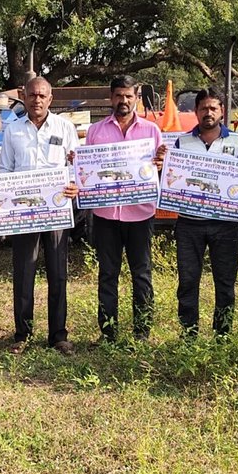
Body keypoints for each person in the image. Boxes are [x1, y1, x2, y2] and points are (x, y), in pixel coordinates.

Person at [0, 76, 80, 354]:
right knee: (24, 272)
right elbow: (5, 169)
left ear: (50, 99)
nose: (37, 100)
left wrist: (73, 185)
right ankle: (22, 334)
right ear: (24, 97)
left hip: (56, 210)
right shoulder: (13, 130)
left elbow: (75, 167)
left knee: (58, 273)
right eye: (32, 95)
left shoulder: (65, 128)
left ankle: (58, 335)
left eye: (43, 95)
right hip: (24, 213)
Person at [158, 88, 238, 337]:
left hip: (225, 223)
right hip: (189, 224)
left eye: (213, 108)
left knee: (225, 282)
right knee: (187, 281)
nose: (208, 113)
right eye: (203, 108)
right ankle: (189, 334)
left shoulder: (236, 141)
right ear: (196, 112)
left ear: (222, 111)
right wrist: (163, 166)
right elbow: (172, 180)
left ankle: (222, 334)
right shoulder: (181, 142)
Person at [83, 75, 162, 342]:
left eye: (129, 96)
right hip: (106, 215)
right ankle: (108, 333)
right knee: (108, 274)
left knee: (142, 274)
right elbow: (87, 171)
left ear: (137, 98)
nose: (123, 100)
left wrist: (161, 163)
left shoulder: (151, 131)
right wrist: (79, 164)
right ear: (111, 98)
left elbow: (161, 167)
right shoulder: (96, 131)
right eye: (119, 95)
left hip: (140, 212)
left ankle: (142, 332)